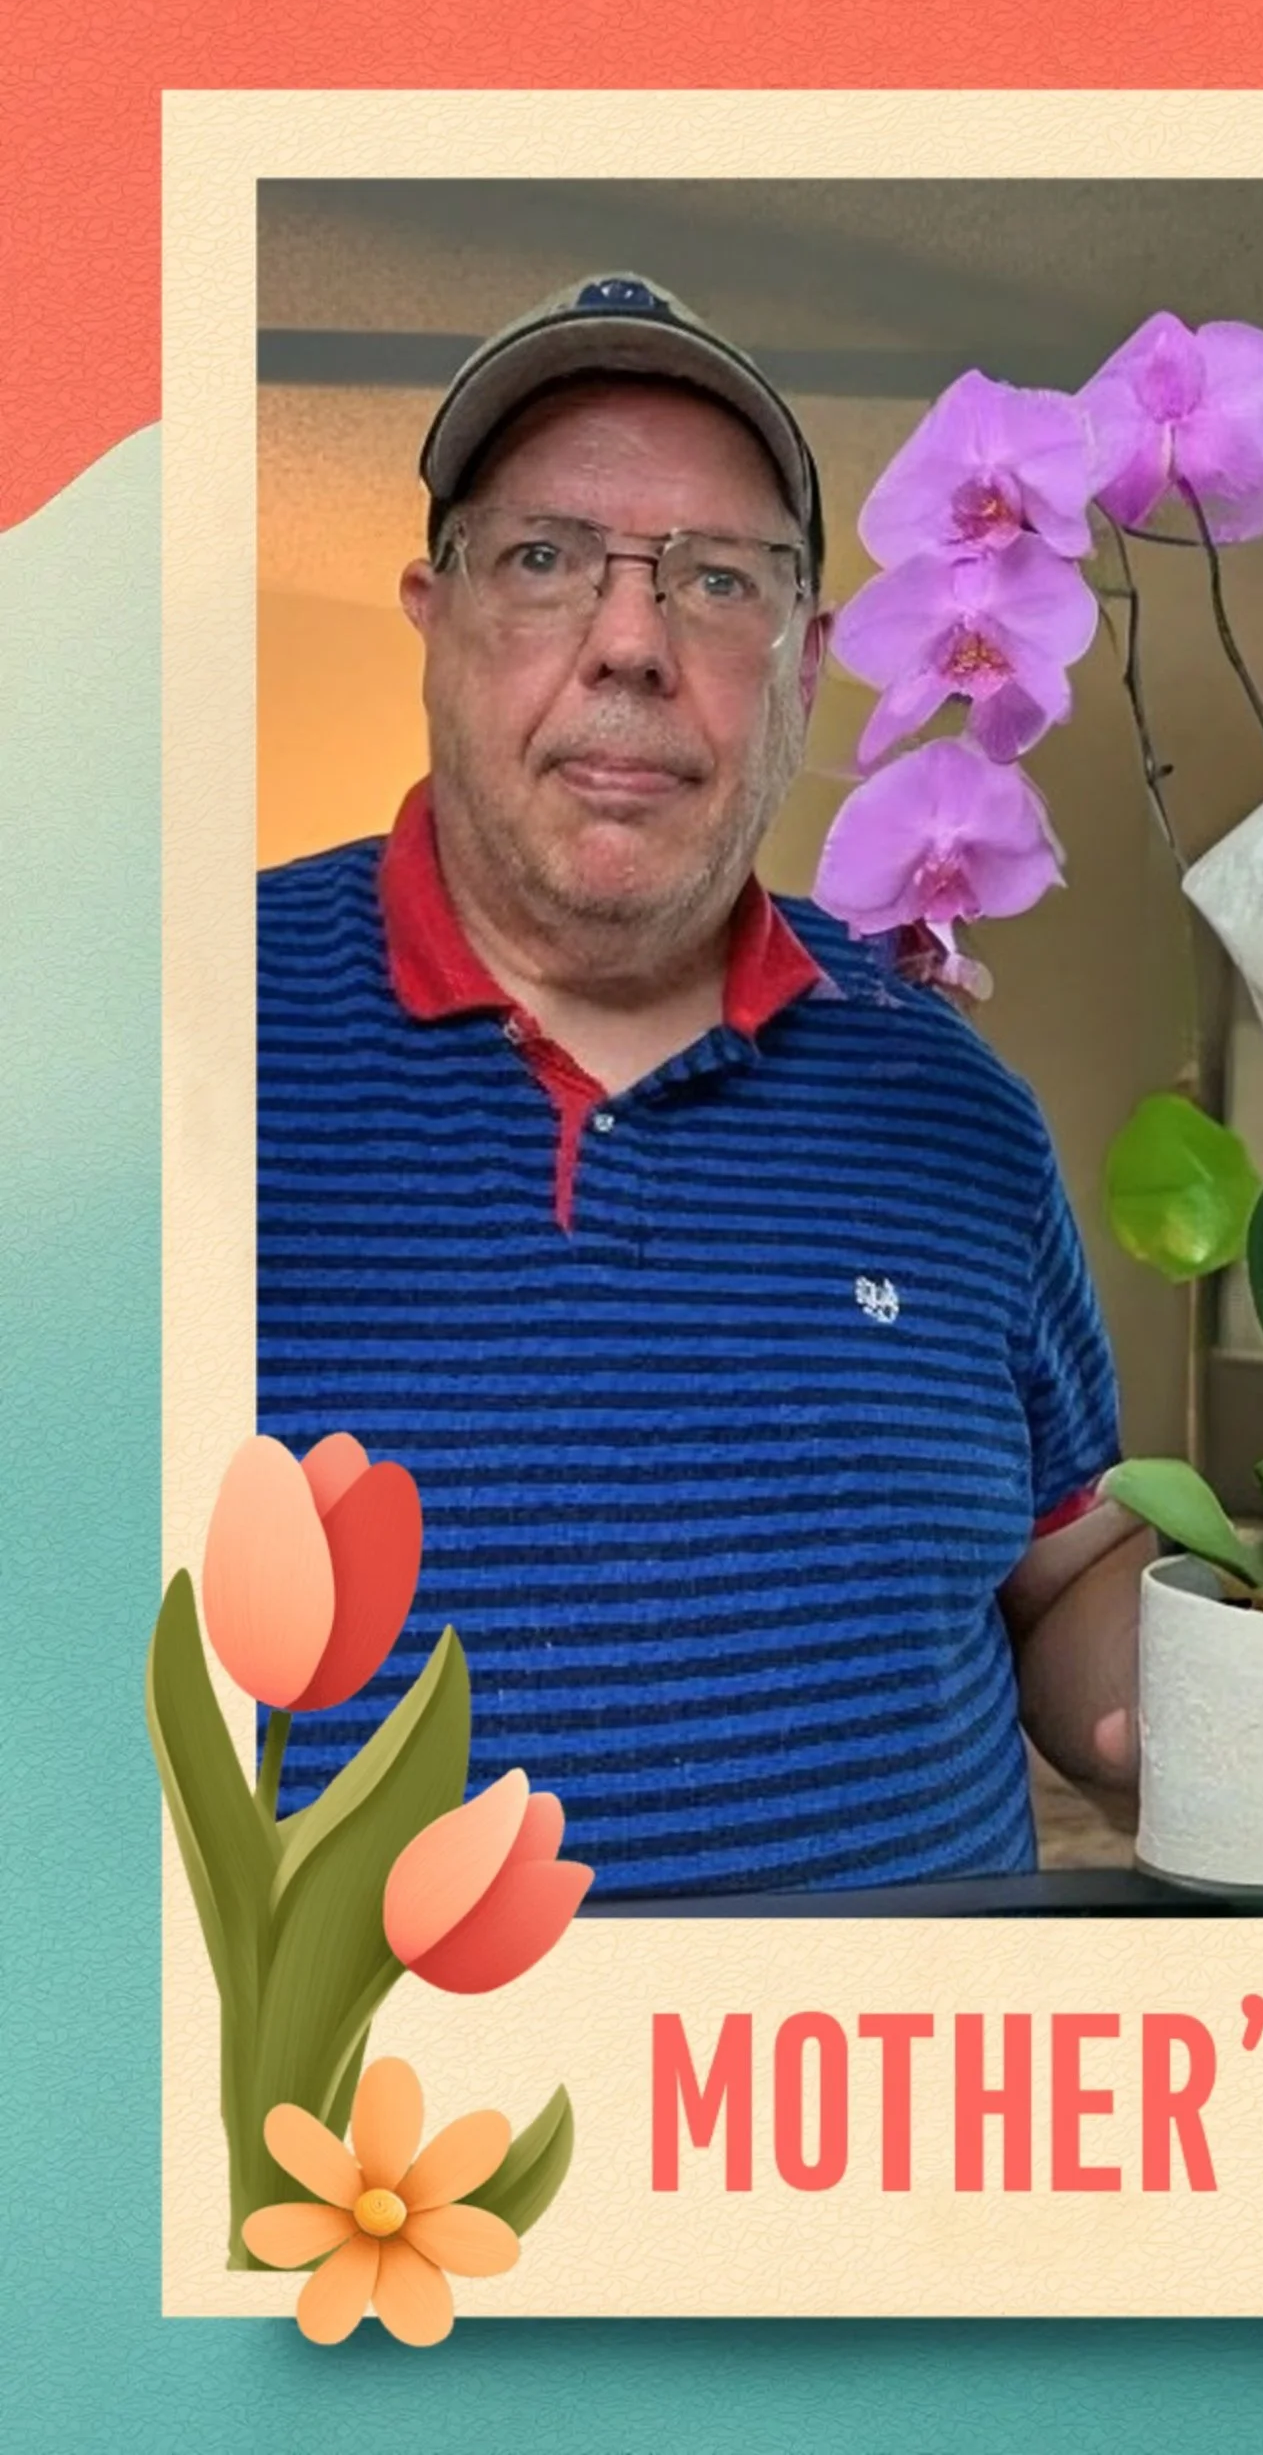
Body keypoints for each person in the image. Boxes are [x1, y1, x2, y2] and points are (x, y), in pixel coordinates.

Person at [257, 274, 1153, 1901]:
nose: (630, 641)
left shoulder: (953, 1098)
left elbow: (1070, 1561)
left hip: (867, 2133)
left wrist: (1259, 1692)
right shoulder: (167, 1037)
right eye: (542, 561)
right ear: (433, 620)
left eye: (717, 581)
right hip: (346, 2141)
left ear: (806, 663)